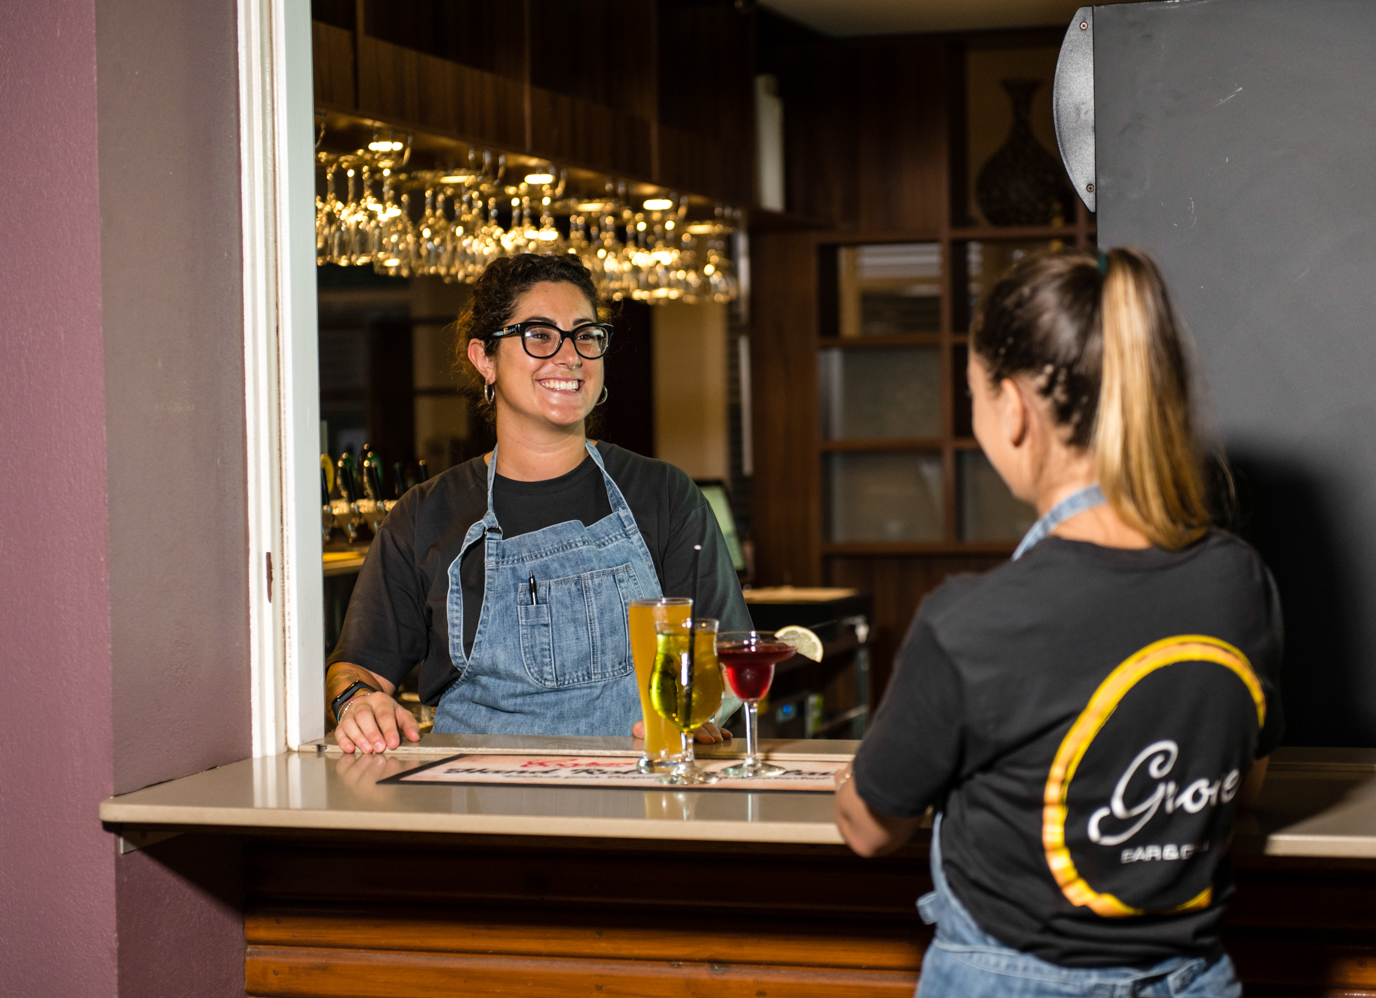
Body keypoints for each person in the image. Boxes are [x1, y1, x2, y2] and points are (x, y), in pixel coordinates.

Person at [834, 248, 1283, 997]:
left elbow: (868, 829)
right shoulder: (1241, 582)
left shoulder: (971, 621)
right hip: (1195, 979)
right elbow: (1248, 783)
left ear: (1013, 410)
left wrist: (860, 777)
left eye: (973, 394)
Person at [325, 253, 752, 753]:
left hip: (636, 788)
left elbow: (724, 655)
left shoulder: (663, 494)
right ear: (484, 358)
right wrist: (357, 702)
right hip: (476, 793)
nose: (569, 356)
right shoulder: (425, 515)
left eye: (585, 335)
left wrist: (699, 711)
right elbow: (357, 669)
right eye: (539, 335)